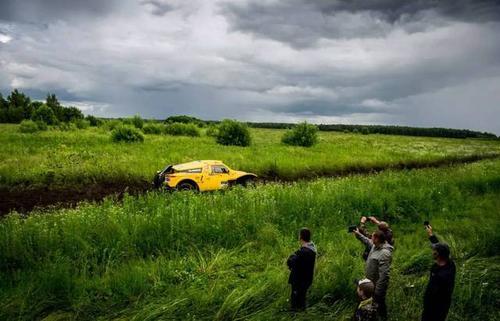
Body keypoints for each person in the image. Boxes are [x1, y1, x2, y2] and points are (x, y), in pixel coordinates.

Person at [353, 229, 393, 320]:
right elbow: (366, 240)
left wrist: (378, 291)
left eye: (373, 236)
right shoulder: (374, 246)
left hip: (376, 286)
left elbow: (384, 275)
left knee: (380, 302)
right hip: (369, 283)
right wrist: (358, 234)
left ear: (377, 239)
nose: (371, 237)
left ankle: (383, 317)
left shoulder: (384, 253)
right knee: (369, 303)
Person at [422, 224, 456, 321]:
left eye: (434, 251)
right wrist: (430, 233)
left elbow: (432, 294)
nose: (432, 252)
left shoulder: (440, 275)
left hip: (435, 306)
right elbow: (438, 246)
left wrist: (426, 303)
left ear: (438, 254)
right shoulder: (451, 264)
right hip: (445, 304)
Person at [287, 227, 317, 311]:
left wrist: (292, 256)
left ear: (300, 237)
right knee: (302, 299)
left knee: (296, 302)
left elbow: (290, 262)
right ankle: (302, 314)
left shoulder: (302, 252)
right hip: (307, 279)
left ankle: (295, 315)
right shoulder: (312, 250)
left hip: (298, 280)